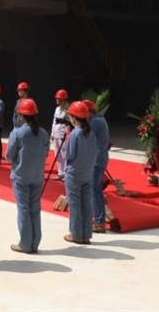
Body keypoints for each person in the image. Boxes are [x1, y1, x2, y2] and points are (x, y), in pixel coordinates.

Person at [6, 98, 50, 254]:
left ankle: (25, 243)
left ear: (21, 115)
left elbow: (9, 157)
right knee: (35, 209)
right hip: (37, 176)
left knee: (23, 209)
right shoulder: (43, 133)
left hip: (21, 176)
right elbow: (46, 153)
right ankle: (34, 243)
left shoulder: (17, 133)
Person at [64, 101, 98, 245]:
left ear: (74, 117)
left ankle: (76, 234)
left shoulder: (75, 134)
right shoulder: (91, 134)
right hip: (87, 174)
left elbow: (69, 154)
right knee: (86, 205)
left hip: (74, 174)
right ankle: (86, 235)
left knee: (75, 205)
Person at [85, 99, 110, 234]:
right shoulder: (100, 120)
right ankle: (99, 220)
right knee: (96, 191)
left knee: (95, 192)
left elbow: (85, 136)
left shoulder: (95, 123)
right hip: (100, 159)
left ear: (89, 112)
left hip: (96, 161)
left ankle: (99, 222)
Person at [51, 90, 70, 181]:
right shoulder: (57, 109)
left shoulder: (68, 109)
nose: (57, 100)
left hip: (64, 135)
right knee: (57, 155)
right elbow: (54, 122)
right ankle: (60, 173)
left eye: (58, 99)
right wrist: (52, 133)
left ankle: (66, 174)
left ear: (63, 99)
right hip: (56, 133)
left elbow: (69, 123)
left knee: (65, 154)